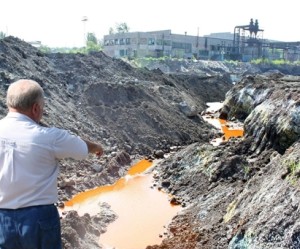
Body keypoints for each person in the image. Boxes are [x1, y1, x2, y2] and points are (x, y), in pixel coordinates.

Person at [0, 79, 103, 249]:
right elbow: (81, 148)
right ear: (35, 108)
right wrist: (97, 147)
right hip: (39, 218)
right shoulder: (50, 137)